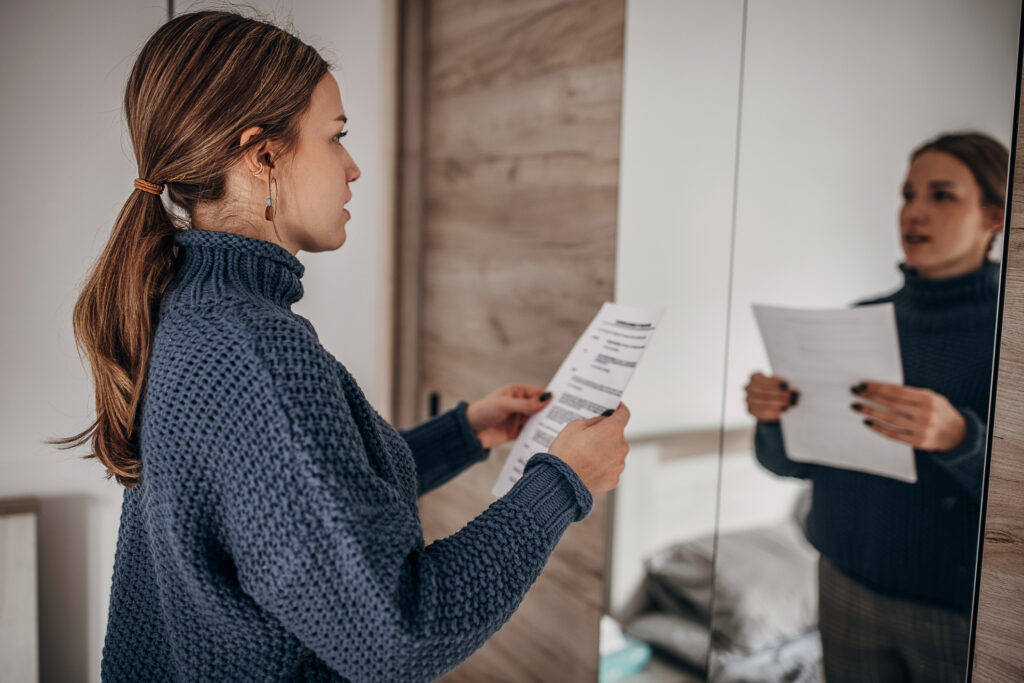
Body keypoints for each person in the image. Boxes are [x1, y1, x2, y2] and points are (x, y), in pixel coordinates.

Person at [49, 11, 631, 682]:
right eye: (336, 137)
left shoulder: (190, 309)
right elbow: (400, 632)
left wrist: (463, 433)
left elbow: (297, 508)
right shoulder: (255, 353)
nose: (353, 167)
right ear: (263, 155)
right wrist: (562, 484)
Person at [744, 131, 1006, 682]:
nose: (914, 212)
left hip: (958, 610)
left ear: (994, 217)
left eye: (941, 195)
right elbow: (790, 464)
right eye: (907, 194)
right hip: (843, 584)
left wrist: (961, 439)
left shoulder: (1010, 337)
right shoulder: (858, 320)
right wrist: (774, 420)